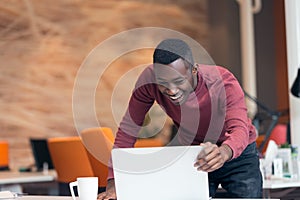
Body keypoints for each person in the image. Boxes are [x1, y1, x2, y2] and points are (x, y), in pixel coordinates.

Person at [97, 38, 262, 199]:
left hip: (237, 153)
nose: (172, 91)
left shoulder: (223, 81)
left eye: (179, 81)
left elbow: (239, 128)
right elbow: (128, 131)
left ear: (193, 71)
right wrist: (113, 182)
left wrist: (224, 152)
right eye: (163, 83)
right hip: (195, 154)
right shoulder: (148, 82)